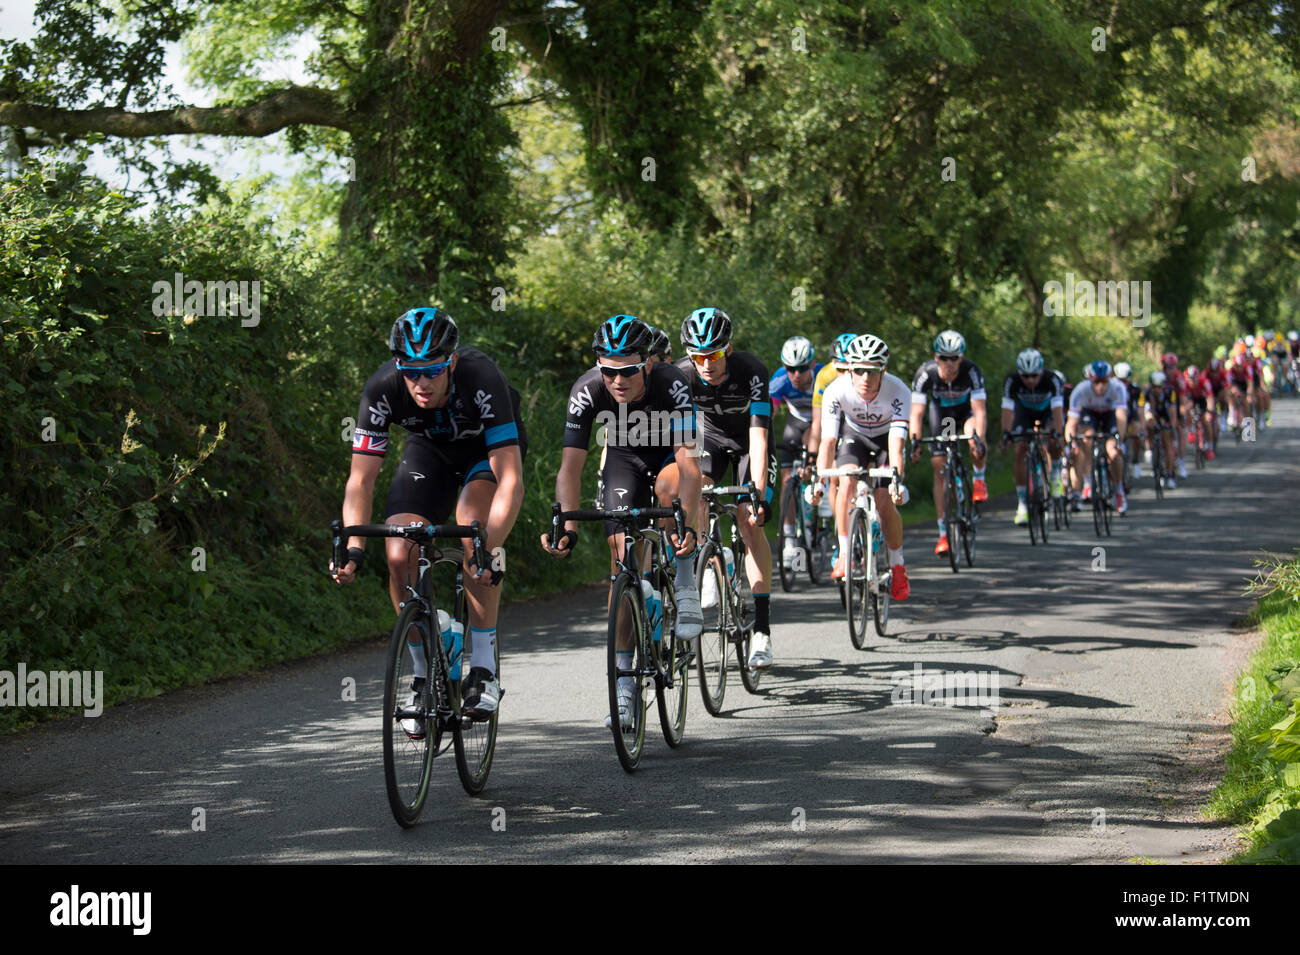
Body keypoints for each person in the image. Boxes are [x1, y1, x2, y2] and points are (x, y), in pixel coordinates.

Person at [332, 306, 525, 722]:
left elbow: (510, 478)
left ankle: (484, 669)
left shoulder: (481, 378)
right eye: (411, 370)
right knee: (400, 553)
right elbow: (360, 480)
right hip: (429, 452)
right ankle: (423, 677)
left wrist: (489, 545)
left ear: (451, 362)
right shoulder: (383, 388)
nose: (421, 382)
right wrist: (353, 546)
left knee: (472, 531)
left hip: (484, 453)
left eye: (433, 371)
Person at [543, 314, 703, 730]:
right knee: (621, 566)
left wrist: (686, 525)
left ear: (648, 363)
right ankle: (625, 686)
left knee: (671, 491)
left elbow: (690, 464)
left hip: (668, 457)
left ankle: (684, 584)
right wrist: (568, 527)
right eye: (607, 370)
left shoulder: (673, 383)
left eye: (627, 371)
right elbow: (569, 468)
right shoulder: (587, 389)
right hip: (624, 462)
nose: (616, 381)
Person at [675, 307, 777, 670]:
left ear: (728, 349)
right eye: (698, 355)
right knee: (697, 490)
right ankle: (711, 559)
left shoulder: (752, 370)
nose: (706, 363)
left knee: (749, 521)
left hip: (749, 440)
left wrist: (758, 493)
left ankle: (762, 630)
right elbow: (680, 441)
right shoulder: (681, 375)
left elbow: (760, 437)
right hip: (711, 441)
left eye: (714, 354)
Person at [818, 334, 910, 599]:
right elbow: (828, 441)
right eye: (858, 371)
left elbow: (897, 442)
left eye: (872, 371)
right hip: (854, 437)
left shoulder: (899, 390)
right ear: (849, 369)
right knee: (845, 479)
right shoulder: (836, 390)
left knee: (884, 502)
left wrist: (896, 480)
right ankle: (844, 551)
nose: (865, 379)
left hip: (885, 440)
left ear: (883, 370)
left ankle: (897, 565)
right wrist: (819, 482)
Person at [909, 329, 988, 556]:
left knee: (973, 435)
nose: (949, 363)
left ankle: (979, 479)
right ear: (936, 357)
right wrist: (915, 442)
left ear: (961, 358)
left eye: (954, 358)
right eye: (944, 357)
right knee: (939, 469)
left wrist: (980, 440)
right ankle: (943, 534)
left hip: (965, 414)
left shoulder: (971, 371)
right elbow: (916, 413)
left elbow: (980, 411)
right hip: (942, 417)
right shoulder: (926, 373)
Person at [769, 336, 823, 567]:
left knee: (815, 451)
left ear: (811, 364)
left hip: (823, 422)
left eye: (802, 369)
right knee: (787, 479)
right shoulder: (780, 379)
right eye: (791, 369)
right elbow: (766, 414)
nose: (796, 375)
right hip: (797, 421)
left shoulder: (823, 377)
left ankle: (819, 513)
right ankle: (790, 540)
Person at [999, 348, 1064, 525]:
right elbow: (1007, 411)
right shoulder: (1011, 381)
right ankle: (1022, 504)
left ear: (1041, 371)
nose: (1030, 380)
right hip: (1024, 413)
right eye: (1025, 376)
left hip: (1047, 413)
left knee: (1053, 439)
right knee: (1020, 449)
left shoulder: (1052, 380)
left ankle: (1056, 472)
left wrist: (1059, 434)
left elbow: (1058, 412)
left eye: (1034, 376)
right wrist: (1006, 434)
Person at [1065, 360, 1129, 514]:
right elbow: (1072, 421)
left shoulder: (1118, 388)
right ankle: (1085, 484)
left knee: (1113, 452)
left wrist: (1118, 440)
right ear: (1090, 380)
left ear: (1109, 379)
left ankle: (1119, 491)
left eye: (1104, 382)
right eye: (1096, 382)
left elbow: (1121, 417)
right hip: (1090, 415)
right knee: (1085, 440)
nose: (1100, 386)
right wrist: (1070, 442)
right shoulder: (1080, 390)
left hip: (1110, 415)